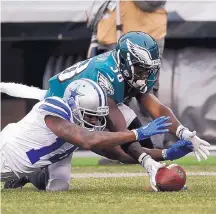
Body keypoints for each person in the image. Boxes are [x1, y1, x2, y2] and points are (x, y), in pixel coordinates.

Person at [0, 31, 210, 190]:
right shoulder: (101, 80)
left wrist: (179, 136)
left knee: (59, 186)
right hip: (65, 108)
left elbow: (152, 108)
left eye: (149, 69)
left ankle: (32, 173)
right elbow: (102, 138)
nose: (146, 74)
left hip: (86, 107)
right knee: (127, 131)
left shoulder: (126, 73)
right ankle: (28, 171)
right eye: (141, 68)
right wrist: (147, 160)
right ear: (127, 62)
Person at [0, 78, 176, 192]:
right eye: (90, 115)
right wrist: (137, 133)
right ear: (74, 106)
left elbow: (120, 154)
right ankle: (26, 174)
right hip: (4, 152)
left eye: (97, 116)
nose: (94, 121)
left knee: (58, 188)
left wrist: (166, 154)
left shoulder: (85, 127)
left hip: (28, 160)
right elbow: (86, 140)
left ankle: (29, 175)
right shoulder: (55, 110)